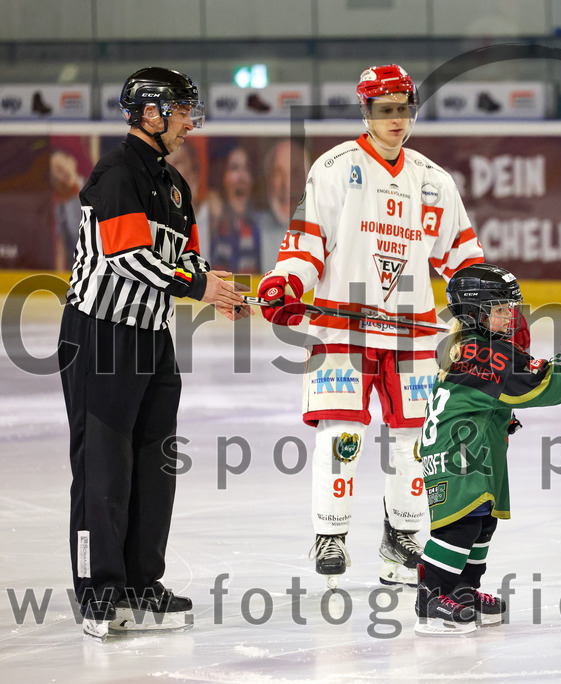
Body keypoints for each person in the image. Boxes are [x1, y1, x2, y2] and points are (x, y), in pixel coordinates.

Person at [257, 64, 486, 588]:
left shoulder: (434, 181)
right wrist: (286, 282)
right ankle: (330, 533)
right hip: (343, 331)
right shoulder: (335, 168)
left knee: (416, 439)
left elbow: (464, 259)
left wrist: (485, 311)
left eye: (404, 108)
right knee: (343, 434)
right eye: (385, 110)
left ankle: (402, 538)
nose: (396, 120)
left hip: (413, 333)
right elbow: (306, 242)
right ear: (366, 111)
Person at [58, 67, 249, 640]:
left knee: (154, 464)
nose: (191, 123)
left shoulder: (175, 185)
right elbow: (126, 258)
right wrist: (198, 287)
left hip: (151, 337)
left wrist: (219, 289)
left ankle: (142, 584)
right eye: (184, 111)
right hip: (101, 336)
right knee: (103, 468)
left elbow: (185, 262)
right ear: (150, 112)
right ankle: (98, 593)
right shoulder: (116, 172)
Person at [414, 263, 561, 635]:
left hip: (476, 447)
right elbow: (536, 385)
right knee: (461, 523)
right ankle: (431, 595)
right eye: (500, 309)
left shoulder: (480, 347)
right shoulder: (483, 352)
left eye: (510, 307)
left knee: (483, 522)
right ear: (473, 312)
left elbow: (492, 395)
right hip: (457, 452)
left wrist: (503, 417)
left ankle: (464, 591)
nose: (511, 315)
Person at [255, 139, 310, 272]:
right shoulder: (251, 228)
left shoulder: (326, 232)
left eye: (295, 173)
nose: (287, 185)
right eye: (278, 173)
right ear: (268, 181)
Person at [208, 144, 261, 273]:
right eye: (234, 168)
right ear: (223, 177)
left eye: (246, 168)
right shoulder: (213, 221)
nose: (241, 176)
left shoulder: (260, 223)